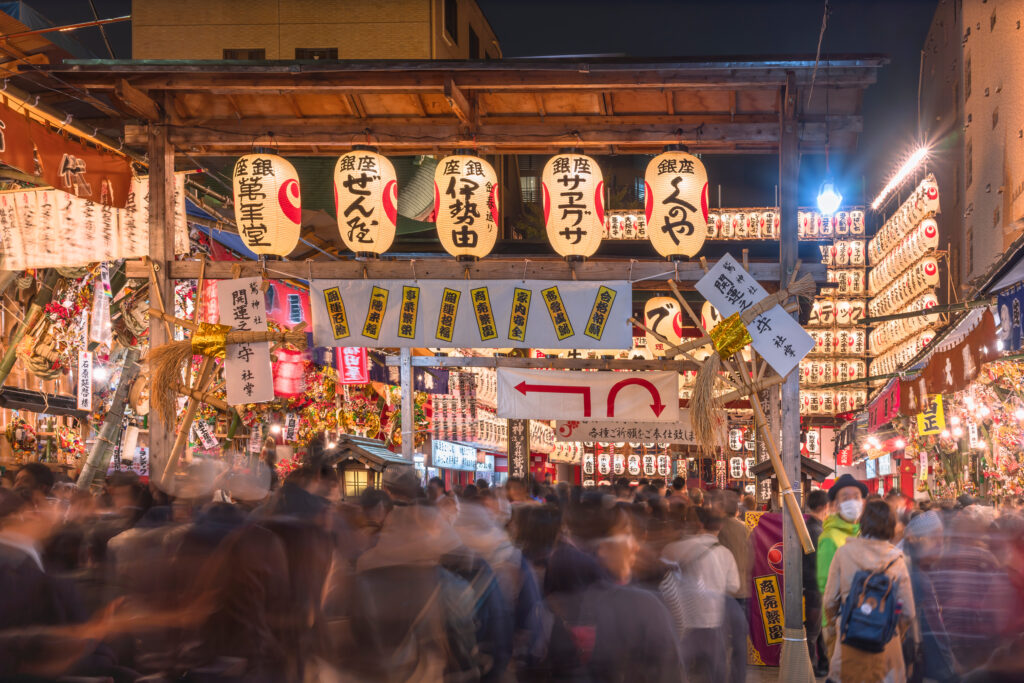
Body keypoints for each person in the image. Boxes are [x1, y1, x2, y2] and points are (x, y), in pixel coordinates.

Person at [823, 499, 915, 682]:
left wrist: (837, 624)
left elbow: (829, 601)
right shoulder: (898, 560)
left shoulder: (843, 553)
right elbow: (907, 612)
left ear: (863, 522)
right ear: (891, 525)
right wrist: (894, 629)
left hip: (849, 642)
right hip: (886, 648)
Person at [662, 505, 739, 681]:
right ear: (719, 527)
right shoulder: (725, 554)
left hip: (686, 623)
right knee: (715, 672)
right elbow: (734, 586)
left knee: (679, 671)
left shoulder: (680, 547)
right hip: (714, 622)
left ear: (699, 524)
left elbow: (664, 563)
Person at [818, 474, 867, 635]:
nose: (852, 501)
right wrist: (831, 622)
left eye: (856, 497)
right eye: (845, 498)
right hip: (839, 622)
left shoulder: (861, 532)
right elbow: (825, 584)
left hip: (861, 618)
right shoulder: (829, 537)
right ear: (835, 505)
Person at [803, 488, 830, 676]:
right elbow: (820, 562)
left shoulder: (810, 527)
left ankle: (821, 665)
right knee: (814, 632)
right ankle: (812, 668)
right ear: (823, 507)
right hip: (816, 587)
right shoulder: (817, 530)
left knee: (817, 630)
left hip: (812, 586)